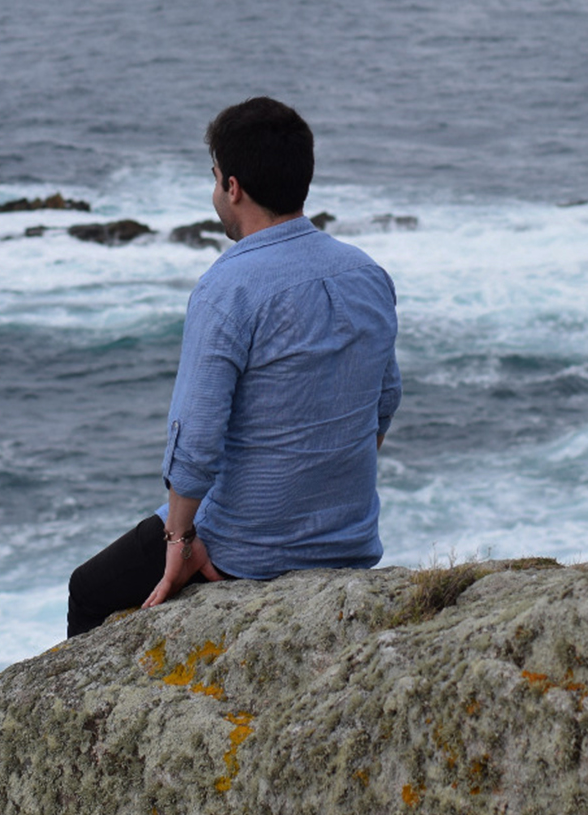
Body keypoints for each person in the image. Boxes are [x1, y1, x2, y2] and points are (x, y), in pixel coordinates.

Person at [65, 97, 402, 637]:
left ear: (233, 187)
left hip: (247, 551)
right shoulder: (367, 274)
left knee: (88, 590)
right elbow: (383, 406)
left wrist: (181, 541)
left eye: (215, 176)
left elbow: (196, 440)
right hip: (349, 542)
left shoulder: (227, 288)